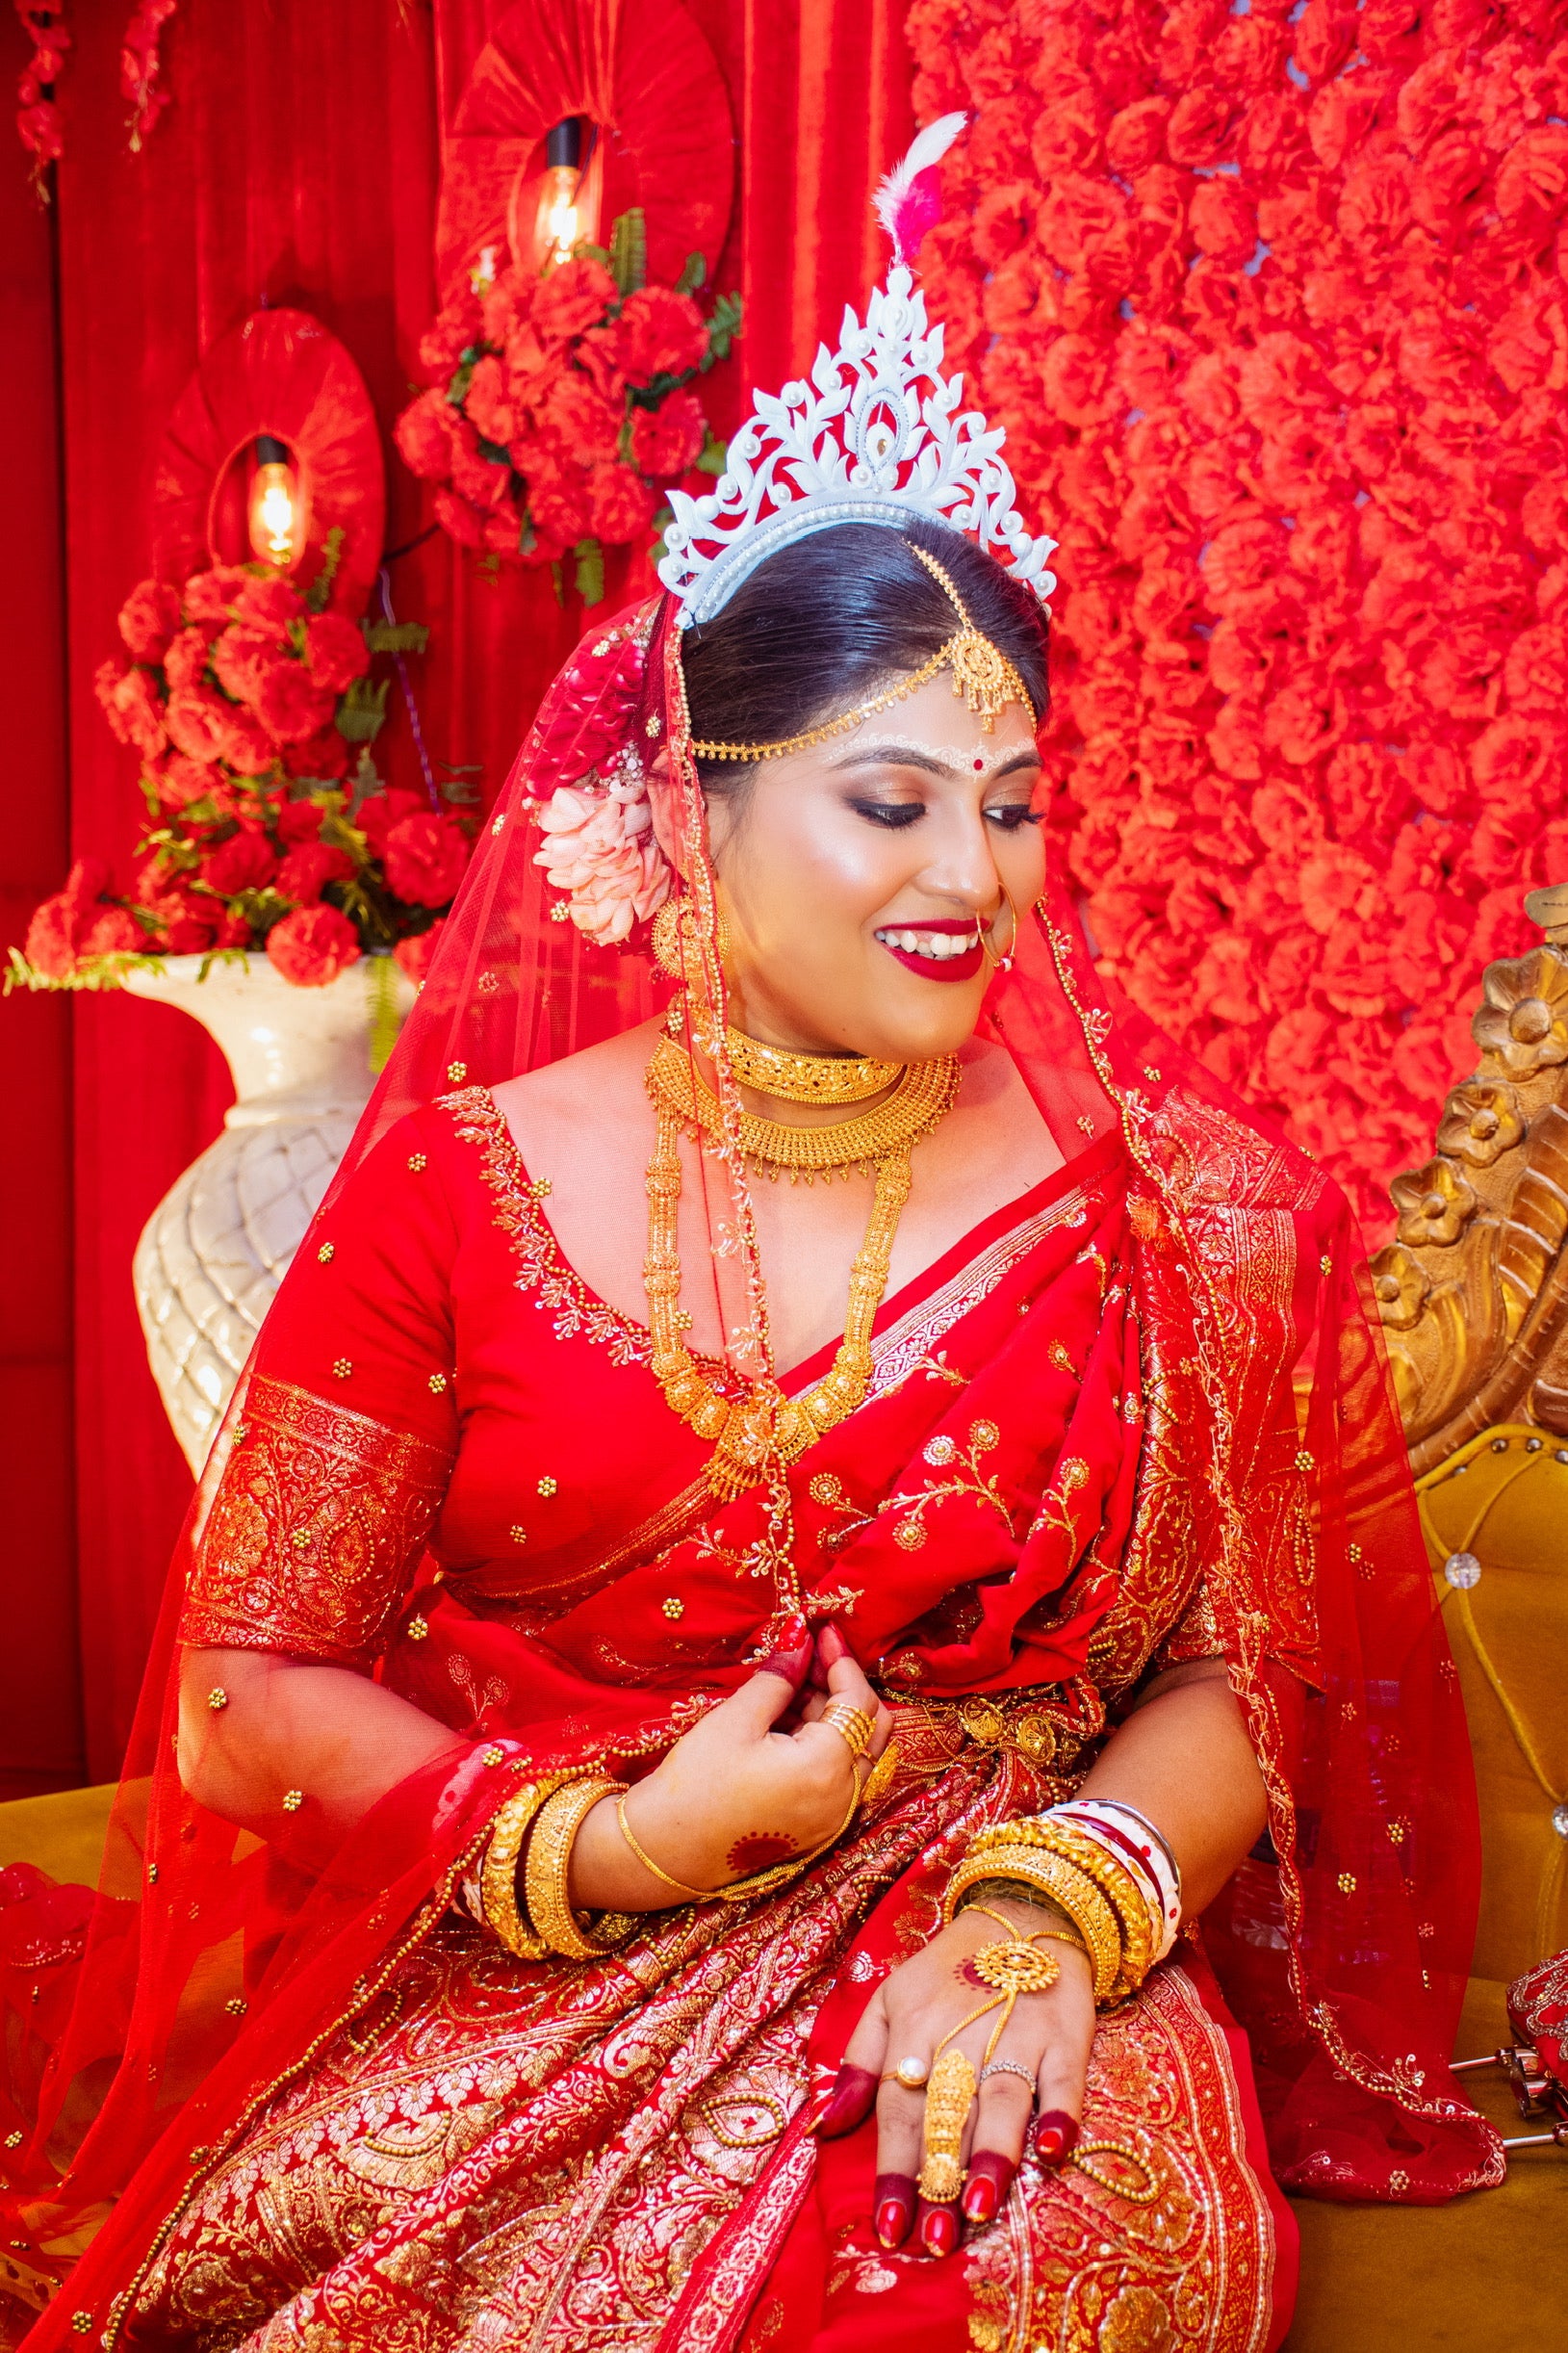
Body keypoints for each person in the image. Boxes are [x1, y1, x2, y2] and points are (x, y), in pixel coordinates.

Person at [3, 121, 1500, 2353]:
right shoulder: (457, 1179)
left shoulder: (1185, 1204)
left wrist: (1042, 1911)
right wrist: (602, 1849)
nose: (970, 876)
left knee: (966, 2277)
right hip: (547, 1920)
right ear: (689, 807)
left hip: (1004, 1950)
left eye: (1005, 807)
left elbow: (1231, 1676)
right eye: (888, 803)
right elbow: (238, 1693)